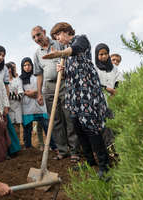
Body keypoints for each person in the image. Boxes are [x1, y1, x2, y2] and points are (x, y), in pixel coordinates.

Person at [44, 22, 110, 177]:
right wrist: (64, 71)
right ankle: (89, 162)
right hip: (74, 96)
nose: (58, 39)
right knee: (78, 128)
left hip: (87, 95)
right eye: (55, 37)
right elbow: (75, 71)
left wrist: (59, 54)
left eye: (58, 35)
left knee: (92, 129)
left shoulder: (81, 39)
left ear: (66, 31)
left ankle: (104, 165)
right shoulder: (66, 53)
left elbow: (76, 50)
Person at [31, 25, 78, 160]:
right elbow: (39, 74)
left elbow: (70, 58)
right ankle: (62, 150)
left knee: (68, 117)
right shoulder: (37, 53)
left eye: (38, 35)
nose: (37, 38)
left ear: (44, 33)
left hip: (64, 83)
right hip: (49, 87)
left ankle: (74, 150)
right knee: (55, 119)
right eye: (34, 37)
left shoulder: (59, 43)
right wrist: (39, 93)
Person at [19, 57, 57, 150]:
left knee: (46, 126)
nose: (27, 67)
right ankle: (28, 146)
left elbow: (43, 88)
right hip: (27, 107)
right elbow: (20, 91)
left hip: (39, 105)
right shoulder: (20, 79)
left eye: (29, 65)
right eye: (25, 65)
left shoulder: (37, 76)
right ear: (22, 67)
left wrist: (34, 93)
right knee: (27, 128)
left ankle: (53, 146)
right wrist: (29, 93)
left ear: (32, 66)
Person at [6, 62, 23, 143]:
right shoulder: (2, 82)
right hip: (7, 110)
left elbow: (20, 95)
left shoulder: (17, 80)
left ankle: (18, 149)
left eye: (9, 69)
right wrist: (13, 94)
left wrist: (9, 94)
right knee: (8, 132)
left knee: (16, 131)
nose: (8, 71)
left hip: (16, 110)